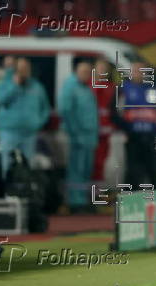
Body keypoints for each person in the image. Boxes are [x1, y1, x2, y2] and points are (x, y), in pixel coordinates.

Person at [111, 61, 156, 190]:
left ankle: (154, 198)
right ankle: (130, 198)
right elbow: (115, 113)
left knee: (152, 169)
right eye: (135, 71)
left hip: (149, 137)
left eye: (141, 71)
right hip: (132, 137)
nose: (138, 74)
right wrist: (127, 128)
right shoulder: (123, 89)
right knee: (132, 170)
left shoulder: (152, 90)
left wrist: (155, 130)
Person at [0, 57, 50, 178]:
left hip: (29, 133)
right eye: (21, 68)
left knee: (28, 164)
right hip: (9, 132)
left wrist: (38, 123)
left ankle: (25, 193)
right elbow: (0, 100)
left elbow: (45, 108)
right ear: (16, 69)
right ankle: (8, 193)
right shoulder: (5, 84)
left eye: (26, 68)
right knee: (8, 164)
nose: (24, 71)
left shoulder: (37, 87)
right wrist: (15, 85)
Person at [58, 61, 98, 210]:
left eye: (88, 72)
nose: (87, 75)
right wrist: (75, 133)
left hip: (89, 135)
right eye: (84, 72)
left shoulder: (86, 88)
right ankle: (75, 202)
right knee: (76, 169)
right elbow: (66, 111)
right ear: (77, 71)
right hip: (77, 135)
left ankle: (82, 199)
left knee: (86, 169)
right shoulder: (70, 87)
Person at [91, 58, 116, 181]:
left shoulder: (112, 88)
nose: (102, 71)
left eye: (105, 69)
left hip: (106, 133)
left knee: (101, 163)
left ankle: (97, 192)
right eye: (100, 68)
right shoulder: (88, 87)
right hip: (90, 132)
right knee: (90, 164)